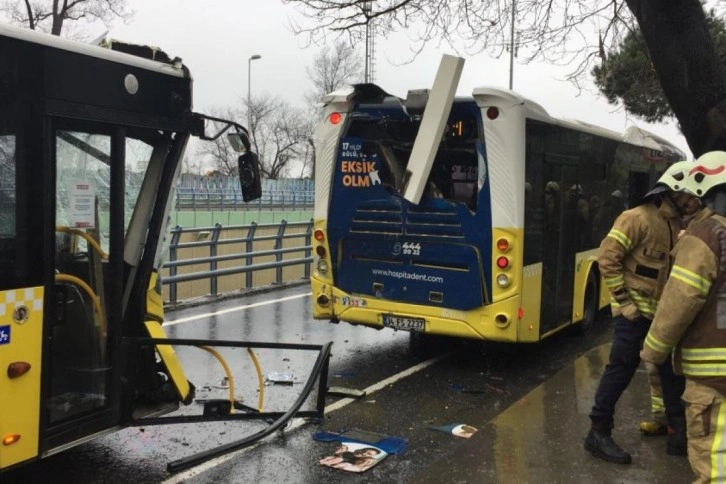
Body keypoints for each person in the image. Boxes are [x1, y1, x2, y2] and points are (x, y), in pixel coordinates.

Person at [584, 160, 701, 465]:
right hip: (633, 313)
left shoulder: (678, 226)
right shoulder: (636, 219)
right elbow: (607, 258)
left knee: (670, 373)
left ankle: (678, 433)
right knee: (621, 367)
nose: (693, 201)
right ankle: (598, 431)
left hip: (661, 315)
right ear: (671, 193)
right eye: (688, 196)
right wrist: (624, 302)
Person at [641, 151, 726, 482]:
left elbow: (680, 301)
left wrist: (653, 352)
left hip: (713, 378)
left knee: (714, 462)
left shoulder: (705, 236)